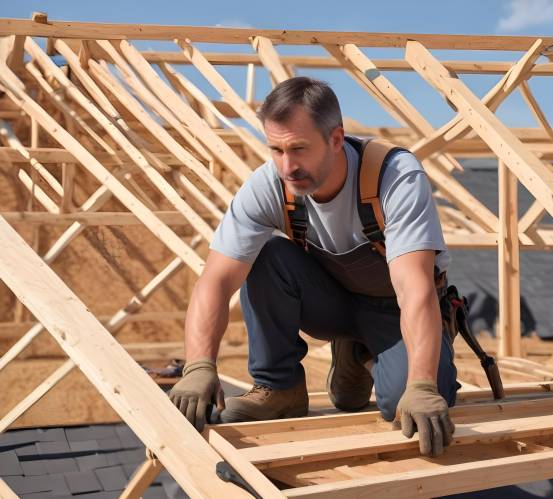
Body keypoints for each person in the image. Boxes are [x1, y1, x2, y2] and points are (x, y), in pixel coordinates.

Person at [169, 76, 459, 456]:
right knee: (267, 257)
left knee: (405, 408)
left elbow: (414, 290)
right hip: (334, 302)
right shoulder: (268, 186)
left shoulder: (393, 176)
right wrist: (199, 366)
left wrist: (421, 386)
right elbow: (215, 282)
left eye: (299, 149)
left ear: (336, 139)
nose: (287, 166)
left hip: (395, 309)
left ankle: (361, 353)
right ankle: (280, 387)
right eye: (276, 150)